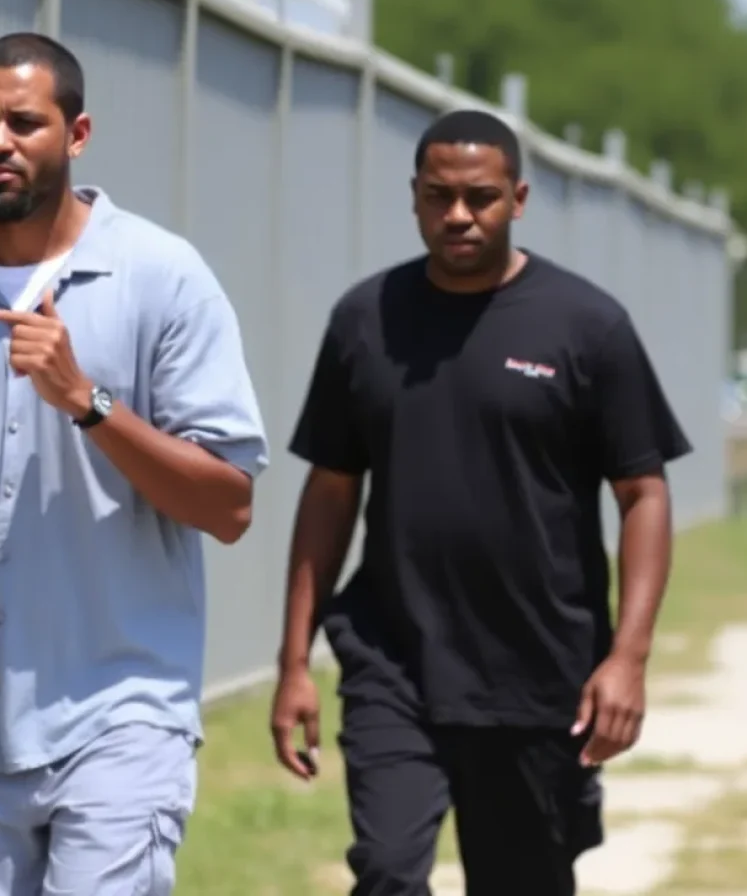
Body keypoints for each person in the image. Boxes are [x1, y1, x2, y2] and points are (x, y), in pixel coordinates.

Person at [270, 108, 692, 895]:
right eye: (439, 196)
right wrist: (294, 660)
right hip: (392, 658)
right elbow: (329, 490)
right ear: (415, 197)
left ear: (518, 198)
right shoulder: (365, 320)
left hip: (537, 672)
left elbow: (644, 493)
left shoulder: (587, 326)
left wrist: (627, 658)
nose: (458, 215)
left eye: (481, 197)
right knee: (389, 872)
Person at [0, 32, 268, 895]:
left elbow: (229, 506)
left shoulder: (163, 278)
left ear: (78, 133)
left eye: (25, 122)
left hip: (121, 716)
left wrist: (87, 401)